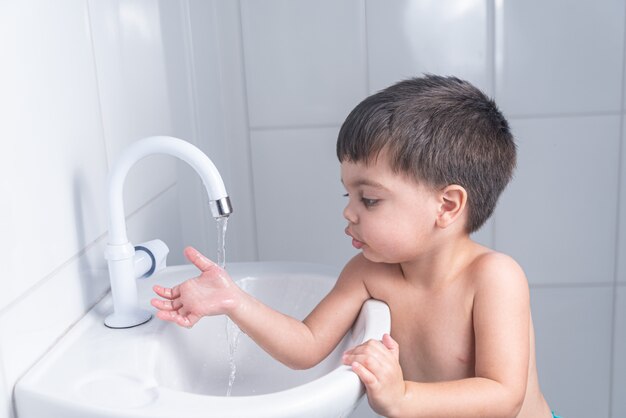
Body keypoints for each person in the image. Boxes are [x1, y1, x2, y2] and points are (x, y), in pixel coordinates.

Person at [151, 75, 557, 418]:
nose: (349, 212)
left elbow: (504, 394)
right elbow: (307, 346)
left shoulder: (493, 278)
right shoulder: (368, 273)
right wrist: (234, 301)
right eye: (347, 195)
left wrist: (403, 396)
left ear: (446, 206)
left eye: (370, 199)